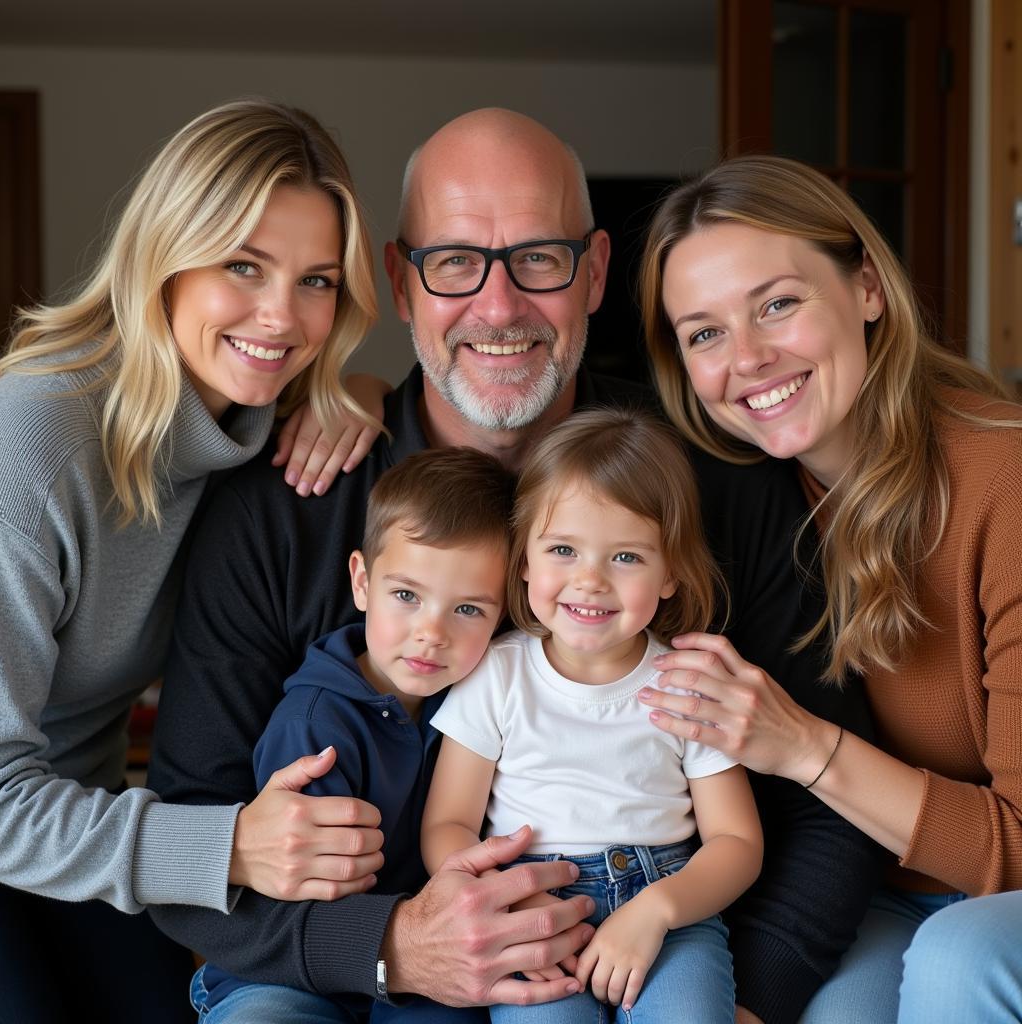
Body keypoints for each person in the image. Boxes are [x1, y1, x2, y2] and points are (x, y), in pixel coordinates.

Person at [147, 109, 878, 1024]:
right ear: (401, 284)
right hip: (304, 966)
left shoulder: (712, 478)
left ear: (598, 273)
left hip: (653, 949)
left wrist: (751, 995)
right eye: (455, 261)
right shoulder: (287, 501)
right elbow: (188, 831)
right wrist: (389, 951)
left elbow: (828, 789)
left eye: (539, 258)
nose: (498, 308)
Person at [0, 98, 383, 1023]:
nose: (282, 316)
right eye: (243, 266)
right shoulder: (38, 436)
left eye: (318, 281)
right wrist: (230, 848)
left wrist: (364, 393)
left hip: (74, 842)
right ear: (163, 259)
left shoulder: (255, 431)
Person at [636, 153, 1022, 1024]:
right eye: (704, 334)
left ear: (868, 288)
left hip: (994, 895)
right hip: (895, 892)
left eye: (778, 304)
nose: (749, 359)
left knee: (958, 964)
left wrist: (803, 745)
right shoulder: (743, 492)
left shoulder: (1005, 481)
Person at [422, 408, 764, 1023]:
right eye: (562, 549)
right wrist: (501, 911)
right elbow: (448, 824)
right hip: (533, 911)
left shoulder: (688, 684)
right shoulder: (497, 675)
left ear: (670, 574)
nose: (590, 580)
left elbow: (736, 842)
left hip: (669, 910)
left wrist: (657, 910)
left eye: (627, 557)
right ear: (522, 559)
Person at [194, 446, 517, 1022]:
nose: (430, 633)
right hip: (294, 966)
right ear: (362, 582)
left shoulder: (487, 705)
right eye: (406, 596)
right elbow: (301, 897)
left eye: (467, 609)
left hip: (430, 965)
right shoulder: (314, 724)